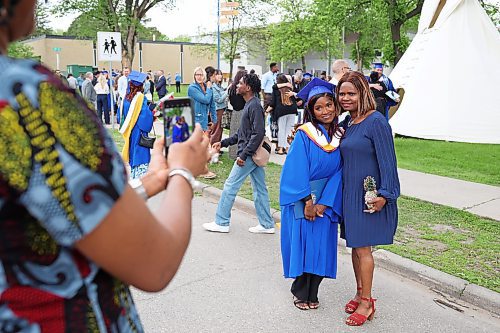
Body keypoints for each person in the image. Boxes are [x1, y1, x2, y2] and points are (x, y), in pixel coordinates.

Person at [0, 1, 211, 330]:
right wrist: (184, 170)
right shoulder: (25, 95)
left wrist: (152, 182)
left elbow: (47, 207)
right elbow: (153, 263)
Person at [337, 71, 400, 326]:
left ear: (363, 93)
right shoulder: (349, 122)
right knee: (355, 245)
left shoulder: (376, 122)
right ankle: (360, 292)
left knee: (364, 248)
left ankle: (367, 303)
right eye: (342, 93)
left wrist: (386, 195)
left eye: (351, 93)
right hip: (349, 193)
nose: (345, 98)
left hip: (368, 195)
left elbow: (388, 162)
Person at [280, 77, 343, 311]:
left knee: (320, 246)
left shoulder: (340, 136)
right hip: (303, 199)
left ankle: (313, 292)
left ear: (336, 107)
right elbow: (296, 169)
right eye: (318, 107)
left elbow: (340, 173)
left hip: (327, 200)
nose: (325, 111)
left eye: (329, 106)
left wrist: (324, 204)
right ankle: (300, 291)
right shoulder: (304, 135)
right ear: (311, 111)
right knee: (304, 244)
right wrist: (308, 202)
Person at [203, 73, 275, 234]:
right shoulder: (250, 104)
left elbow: (258, 133)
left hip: (248, 155)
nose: (237, 85)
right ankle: (267, 224)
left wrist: (243, 155)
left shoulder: (254, 106)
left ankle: (221, 222)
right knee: (260, 189)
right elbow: (242, 134)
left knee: (229, 186)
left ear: (248, 88)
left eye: (240, 83)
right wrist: (223, 143)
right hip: (250, 154)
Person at [119, 71, 155, 179]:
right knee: (140, 154)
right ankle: (140, 179)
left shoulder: (126, 98)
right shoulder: (140, 97)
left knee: (133, 153)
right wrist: (152, 113)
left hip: (131, 129)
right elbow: (145, 116)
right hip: (139, 130)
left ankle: (135, 177)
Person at [187, 66, 217, 179]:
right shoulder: (192, 88)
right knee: (202, 146)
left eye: (200, 74)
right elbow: (205, 99)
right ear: (194, 76)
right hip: (196, 120)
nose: (199, 77)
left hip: (205, 120)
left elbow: (212, 104)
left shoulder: (206, 87)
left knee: (200, 145)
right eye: (197, 74)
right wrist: (209, 89)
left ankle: (193, 167)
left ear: (204, 76)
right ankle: (203, 171)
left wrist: (214, 119)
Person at [267, 74, 298, 154]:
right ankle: (288, 148)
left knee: (282, 130)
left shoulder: (276, 89)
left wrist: (267, 110)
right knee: (289, 130)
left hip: (281, 111)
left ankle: (281, 149)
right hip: (292, 110)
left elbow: (273, 102)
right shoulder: (290, 87)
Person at [227, 69, 247, 159]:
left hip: (235, 112)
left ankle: (232, 154)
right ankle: (240, 153)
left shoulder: (231, 88)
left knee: (233, 133)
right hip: (243, 112)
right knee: (242, 134)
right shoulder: (243, 89)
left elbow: (230, 101)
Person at [261, 62, 280, 142]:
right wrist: (264, 97)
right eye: (276, 67)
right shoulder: (266, 75)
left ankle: (274, 130)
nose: (277, 68)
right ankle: (262, 129)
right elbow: (262, 87)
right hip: (268, 95)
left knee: (273, 114)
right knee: (265, 113)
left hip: (275, 95)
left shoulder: (277, 76)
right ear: (272, 67)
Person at [211, 69, 228, 146]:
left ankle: (217, 146)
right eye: (217, 74)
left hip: (221, 110)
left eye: (221, 74)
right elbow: (219, 100)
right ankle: (212, 147)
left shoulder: (219, 86)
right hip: (217, 111)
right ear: (214, 76)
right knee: (216, 130)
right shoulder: (213, 87)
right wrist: (227, 91)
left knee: (220, 129)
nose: (220, 76)